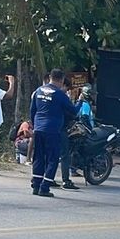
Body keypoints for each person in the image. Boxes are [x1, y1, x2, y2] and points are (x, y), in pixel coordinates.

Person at [30, 69, 77, 197]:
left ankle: (36, 185)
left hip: (38, 128)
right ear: (61, 80)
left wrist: (35, 126)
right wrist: (77, 102)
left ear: (50, 77)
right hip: (52, 130)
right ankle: (45, 188)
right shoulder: (60, 94)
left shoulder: (38, 91)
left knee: (38, 157)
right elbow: (73, 111)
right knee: (53, 159)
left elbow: (32, 110)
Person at [58, 77, 79, 190]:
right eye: (67, 88)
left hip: (49, 128)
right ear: (63, 85)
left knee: (52, 155)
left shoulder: (44, 92)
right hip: (61, 129)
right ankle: (66, 180)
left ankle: (48, 179)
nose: (67, 90)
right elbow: (73, 112)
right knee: (65, 155)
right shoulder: (62, 96)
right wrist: (79, 101)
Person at [27, 73, 51, 164]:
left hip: (39, 119)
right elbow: (33, 107)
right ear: (47, 80)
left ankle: (37, 159)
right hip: (38, 118)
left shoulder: (39, 91)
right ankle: (29, 158)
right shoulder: (38, 92)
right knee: (33, 138)